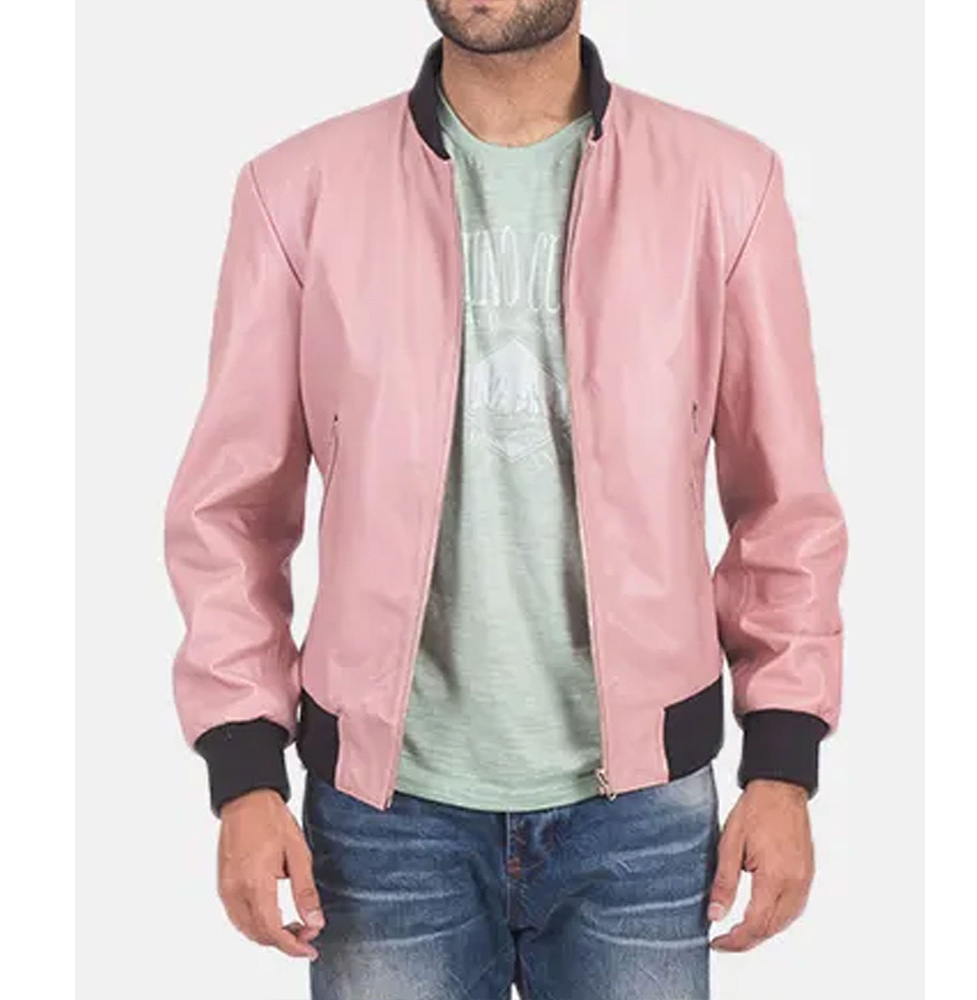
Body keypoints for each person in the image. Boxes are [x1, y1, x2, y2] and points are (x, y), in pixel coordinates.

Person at [163, 2, 847, 997]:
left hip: (643, 819)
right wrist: (245, 771)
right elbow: (228, 509)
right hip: (382, 820)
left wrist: (782, 765)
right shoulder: (297, 192)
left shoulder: (724, 187)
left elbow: (784, 506)